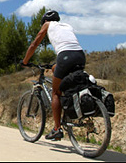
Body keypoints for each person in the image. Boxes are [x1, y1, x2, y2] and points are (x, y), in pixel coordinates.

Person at [21, 10, 85, 141]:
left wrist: (25, 61)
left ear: (45, 21)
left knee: (55, 93)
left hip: (65, 56)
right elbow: (69, 46)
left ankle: (57, 129)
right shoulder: (67, 26)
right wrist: (55, 66)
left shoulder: (47, 24)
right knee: (67, 84)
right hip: (80, 56)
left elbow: (34, 44)